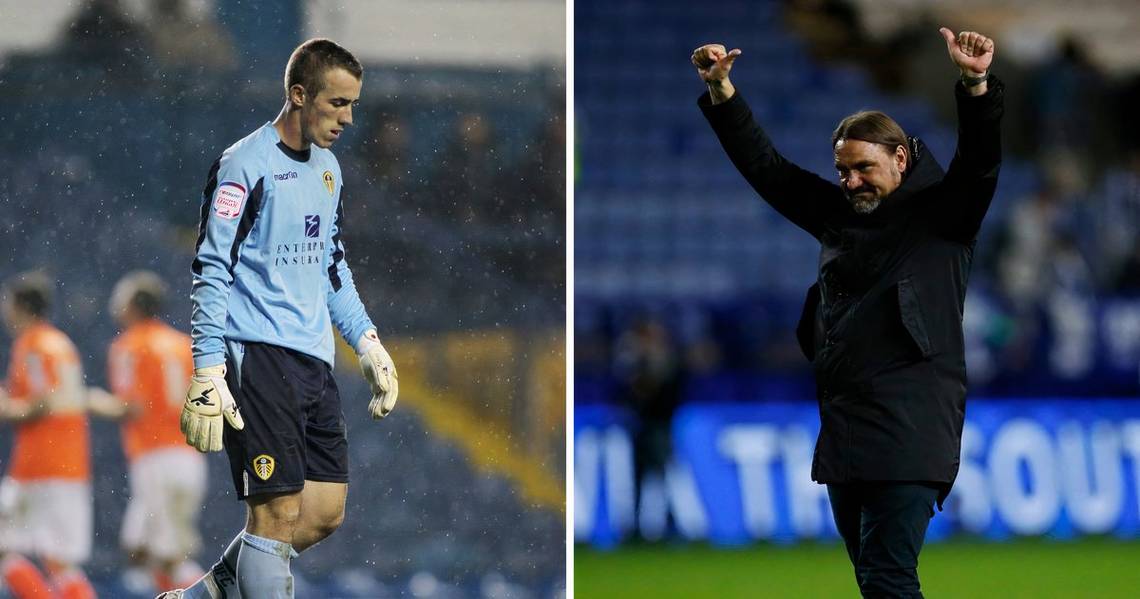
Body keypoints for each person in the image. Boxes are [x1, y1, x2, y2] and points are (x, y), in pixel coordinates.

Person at [692, 27, 1003, 597]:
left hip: (911, 433)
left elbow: (981, 162)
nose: (850, 181)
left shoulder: (945, 218)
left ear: (901, 157)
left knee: (887, 577)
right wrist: (723, 92)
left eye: (862, 168)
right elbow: (770, 171)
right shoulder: (840, 215)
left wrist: (974, 83)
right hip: (847, 433)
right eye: (842, 170)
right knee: (874, 578)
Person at [164, 38, 399, 599]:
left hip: (314, 358)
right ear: (299, 95)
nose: (347, 118)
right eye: (337, 103)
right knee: (273, 517)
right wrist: (207, 370)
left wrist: (367, 342)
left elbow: (331, 264)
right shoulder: (244, 165)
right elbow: (211, 269)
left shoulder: (329, 171)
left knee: (320, 514)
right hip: (258, 356)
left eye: (353, 106)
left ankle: (203, 596)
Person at [87, 271, 207, 593]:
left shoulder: (129, 345)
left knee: (170, 556)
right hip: (188, 456)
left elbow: (132, 405)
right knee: (142, 549)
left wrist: (91, 401)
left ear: (133, 305)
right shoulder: (184, 344)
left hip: (156, 457)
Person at [0, 272, 97, 599]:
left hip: (39, 465)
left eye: (7, 302)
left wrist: (8, 408)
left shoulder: (34, 345)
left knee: (5, 548)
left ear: (22, 306)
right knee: (59, 560)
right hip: (67, 463)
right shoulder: (58, 343)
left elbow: (45, 402)